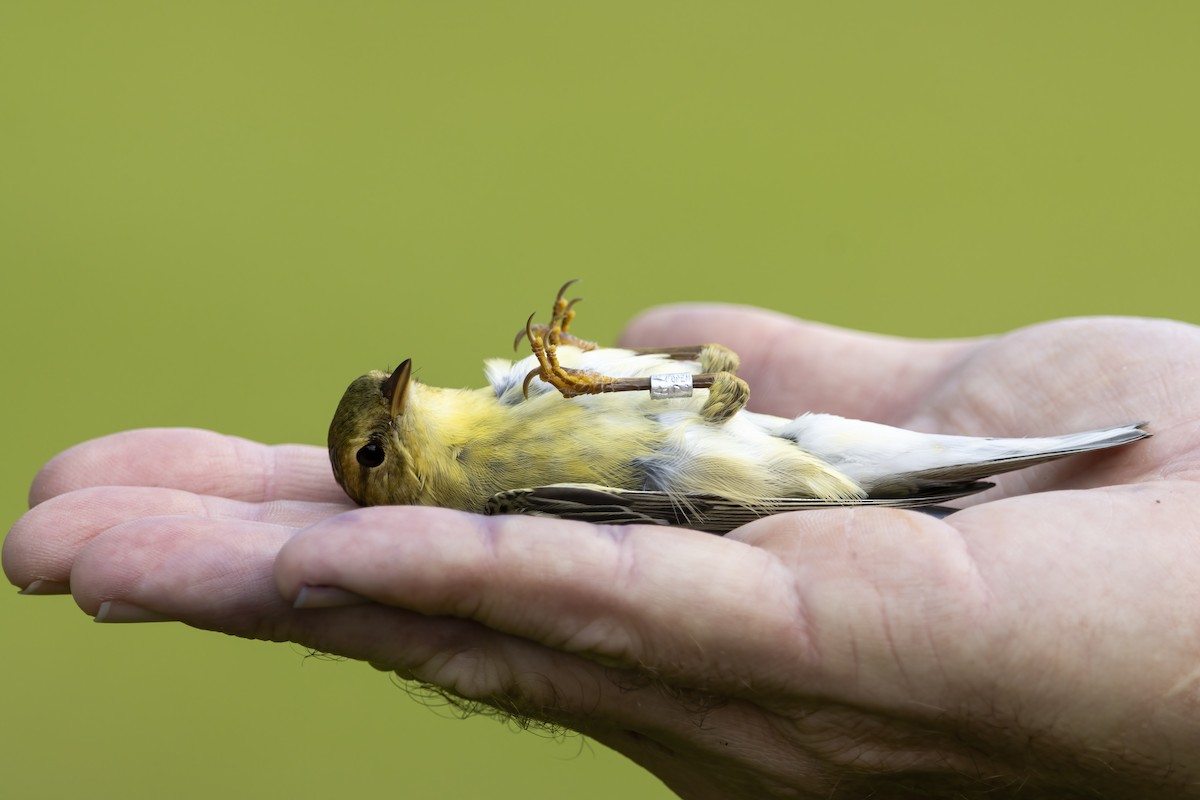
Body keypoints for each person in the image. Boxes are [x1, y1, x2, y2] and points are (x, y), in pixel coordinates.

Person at [5, 303, 1198, 798]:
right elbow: (660, 492)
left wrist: (598, 373)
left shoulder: (481, 420)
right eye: (381, 434)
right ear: (395, 465)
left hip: (743, 432)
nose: (399, 405)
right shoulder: (478, 476)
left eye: (385, 404)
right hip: (749, 468)